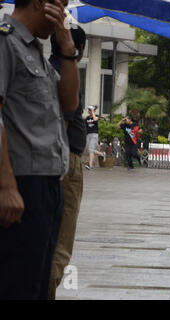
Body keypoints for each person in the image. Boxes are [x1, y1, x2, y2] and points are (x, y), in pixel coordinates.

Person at [0, 0, 79, 299]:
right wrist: (6, 186)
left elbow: (69, 103)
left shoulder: (37, 51)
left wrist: (67, 47)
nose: (64, 12)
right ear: (38, 3)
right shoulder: (5, 41)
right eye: (61, 4)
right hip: (22, 184)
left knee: (38, 281)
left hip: (48, 185)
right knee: (17, 283)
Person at [47, 26, 87, 300]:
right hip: (63, 161)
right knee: (60, 242)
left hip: (53, 159)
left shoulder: (45, 66)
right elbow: (63, 115)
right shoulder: (61, 73)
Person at [85, 105, 106, 169]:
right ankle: (102, 154)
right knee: (90, 149)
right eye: (89, 110)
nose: (89, 111)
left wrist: (93, 111)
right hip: (88, 134)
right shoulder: (87, 118)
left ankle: (90, 165)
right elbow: (85, 127)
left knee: (91, 149)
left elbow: (95, 119)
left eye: (90, 110)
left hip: (94, 134)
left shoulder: (96, 116)